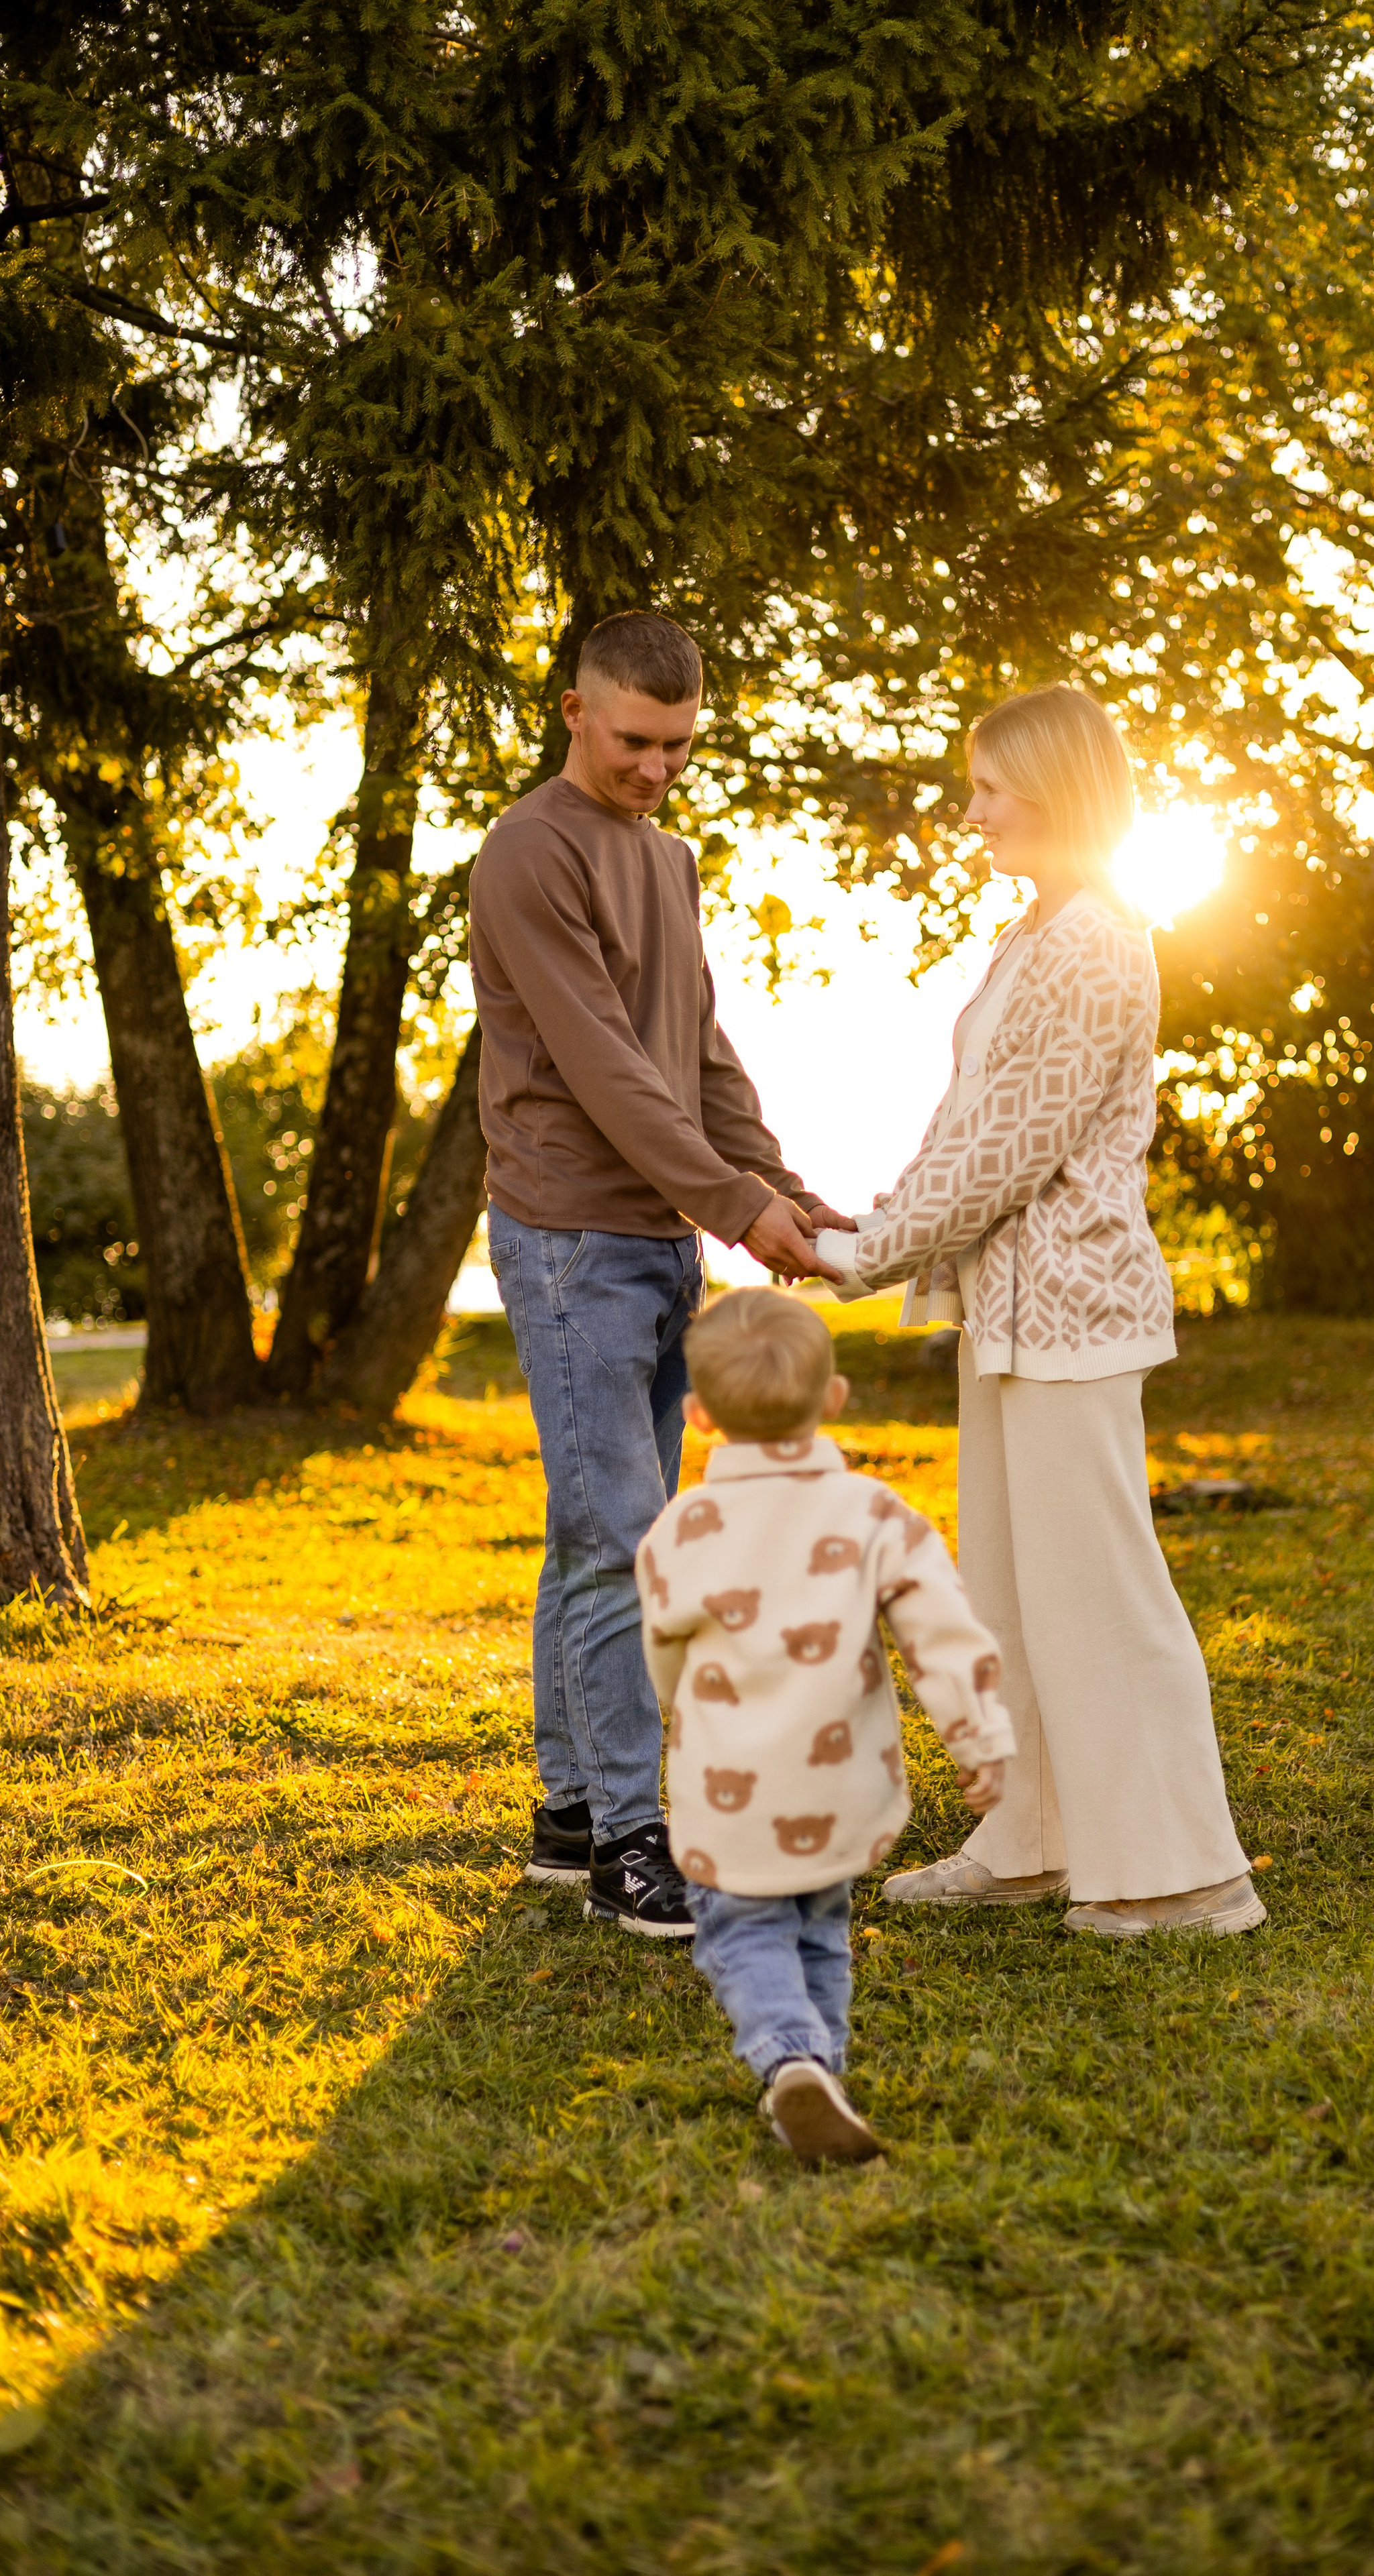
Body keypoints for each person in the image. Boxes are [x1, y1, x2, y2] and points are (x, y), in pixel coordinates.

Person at [814, 684, 1265, 1938]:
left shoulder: (1097, 943)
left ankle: (1185, 1877)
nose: (973, 814)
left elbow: (1009, 1150)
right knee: (1012, 1596)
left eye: (990, 789)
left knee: (1101, 1592)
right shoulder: (1033, 933)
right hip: (1007, 1314)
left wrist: (862, 1254)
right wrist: (862, 1217)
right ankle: (1031, 1842)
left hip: (1075, 1311)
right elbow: (966, 1123)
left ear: (1054, 793)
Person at [470, 611, 851, 1937]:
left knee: (597, 1525)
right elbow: (604, 1066)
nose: (655, 767)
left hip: (659, 1238)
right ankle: (638, 1839)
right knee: (623, 1538)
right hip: (570, 1238)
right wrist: (739, 1206)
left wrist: (781, 1185)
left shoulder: (668, 857)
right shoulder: (528, 851)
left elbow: (693, 1050)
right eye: (635, 740)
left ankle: (575, 1811)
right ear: (574, 709)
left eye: (679, 746)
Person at [639, 1287, 1014, 2160]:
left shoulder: (681, 1529)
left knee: (744, 1929)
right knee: (820, 1922)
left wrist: (683, 1712)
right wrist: (979, 1735)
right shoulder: (874, 1513)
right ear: (834, 1397)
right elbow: (942, 1627)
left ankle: (791, 2060)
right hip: (840, 1785)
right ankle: (820, 2076)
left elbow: (663, 1652)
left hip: (730, 1791)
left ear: (698, 1416)